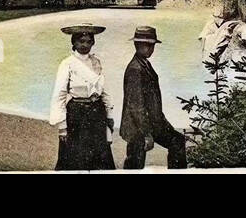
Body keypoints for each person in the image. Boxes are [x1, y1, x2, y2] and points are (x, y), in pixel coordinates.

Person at [120, 26, 187, 169]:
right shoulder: (135, 69)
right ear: (136, 44)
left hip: (153, 123)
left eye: (152, 45)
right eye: (147, 45)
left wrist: (165, 124)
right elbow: (136, 106)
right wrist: (146, 134)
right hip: (137, 127)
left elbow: (154, 103)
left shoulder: (145, 64)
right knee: (135, 163)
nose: (150, 49)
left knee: (177, 141)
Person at [49, 24, 116, 170]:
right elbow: (60, 95)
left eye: (88, 41)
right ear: (74, 42)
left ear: (93, 42)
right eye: (81, 41)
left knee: (99, 156)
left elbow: (103, 89)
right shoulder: (67, 64)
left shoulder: (96, 62)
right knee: (75, 157)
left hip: (97, 113)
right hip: (77, 114)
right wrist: (62, 127)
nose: (85, 45)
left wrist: (109, 114)